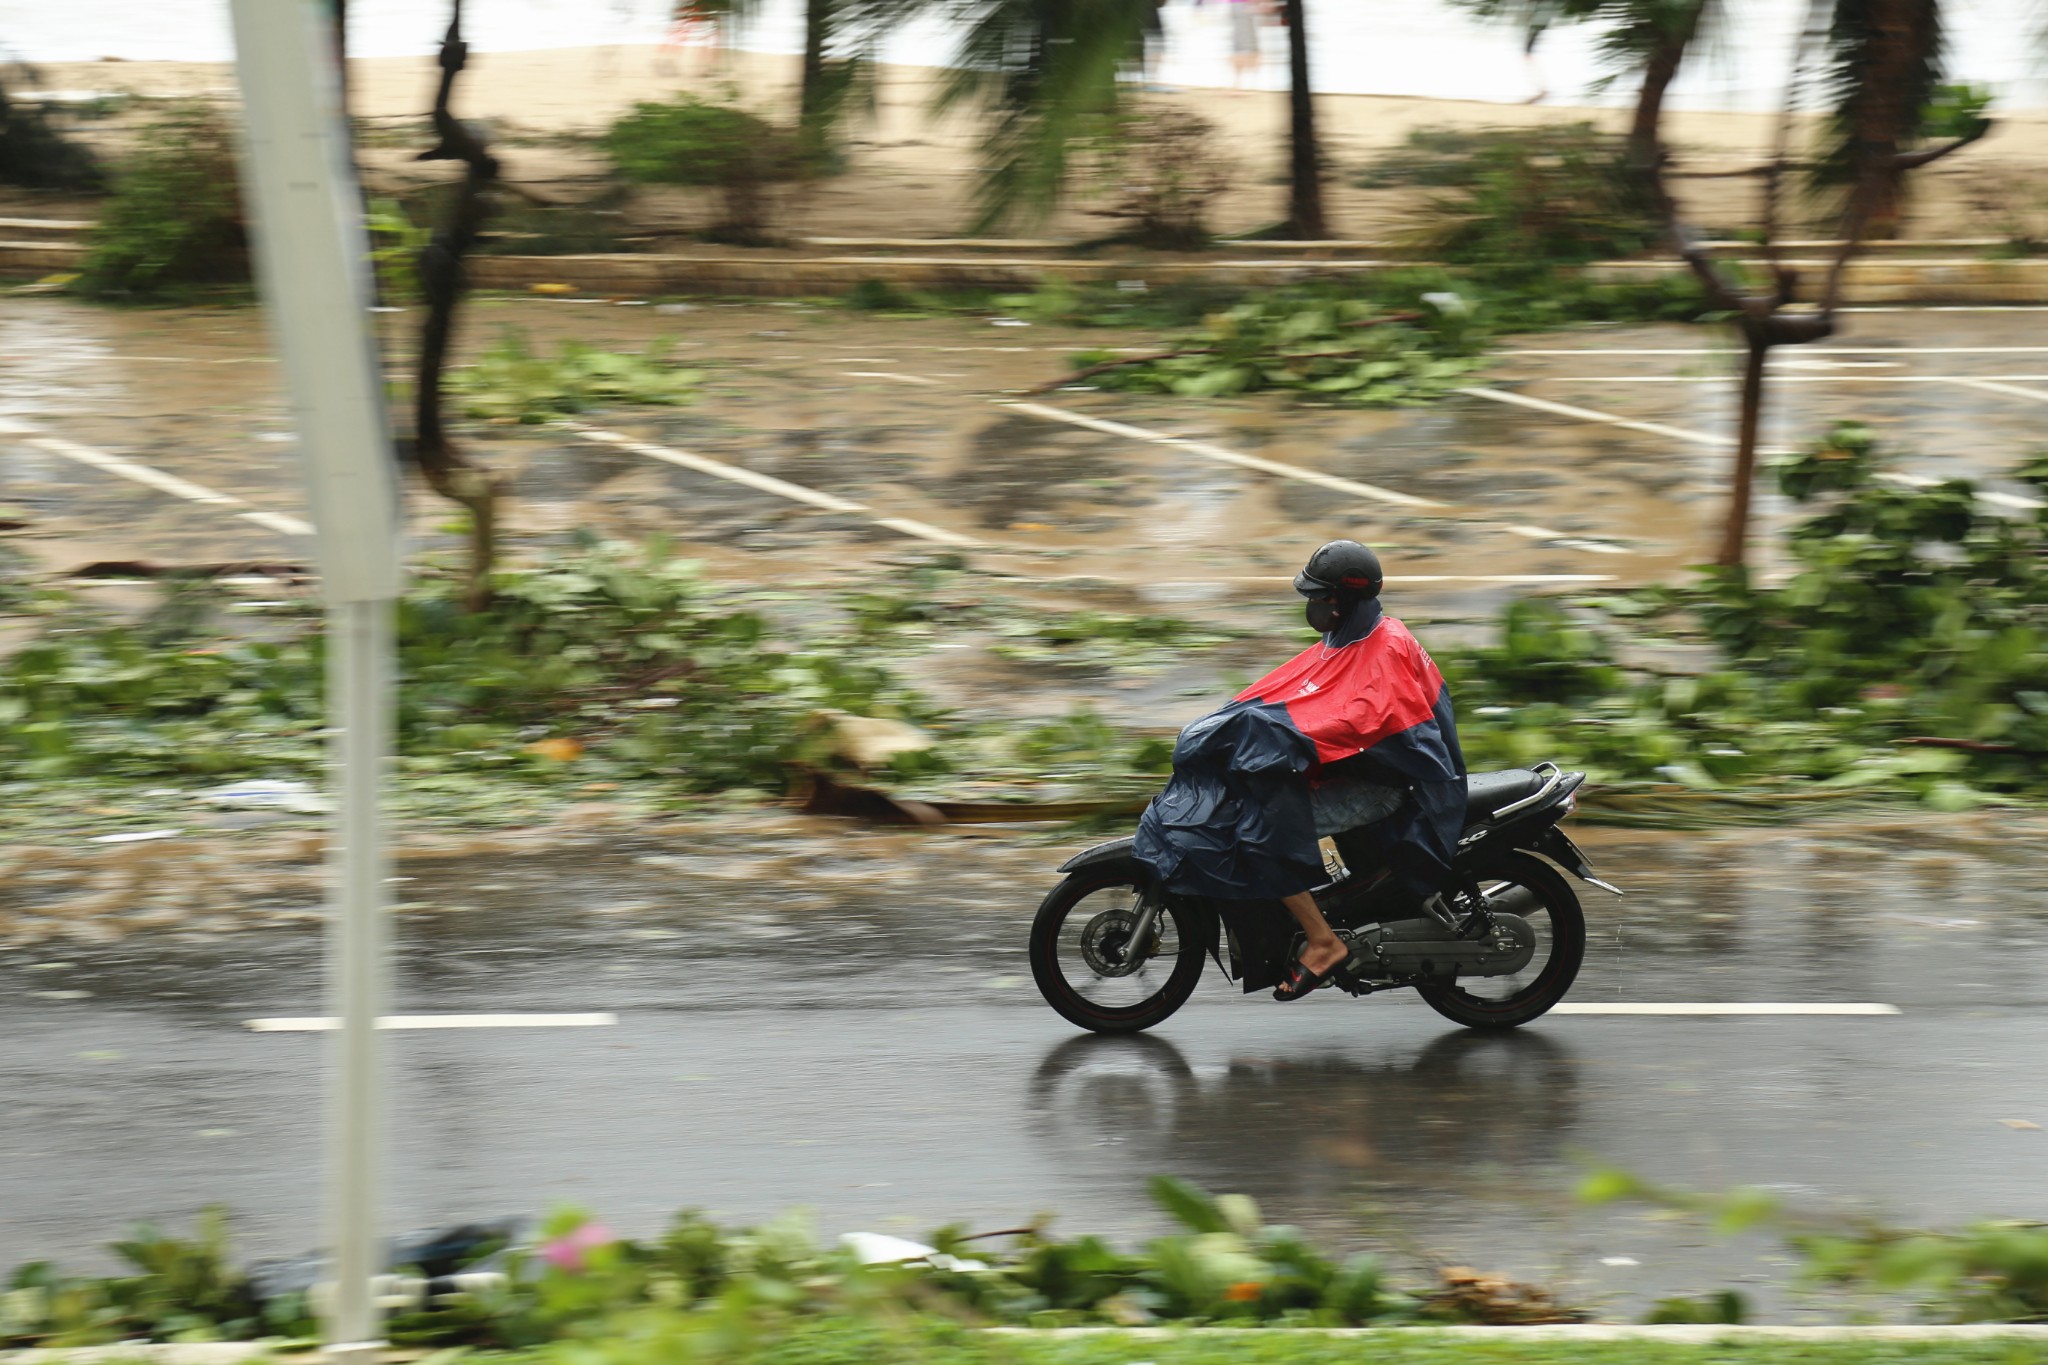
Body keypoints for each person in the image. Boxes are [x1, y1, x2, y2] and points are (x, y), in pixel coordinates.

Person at [1133, 540, 1469, 1001]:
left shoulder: (1385, 646)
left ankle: (1323, 941)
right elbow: (1299, 695)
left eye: (1319, 596)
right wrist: (1240, 721)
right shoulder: (1349, 636)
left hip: (1382, 783)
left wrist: (1279, 735)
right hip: (1357, 768)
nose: (1311, 605)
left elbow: (1363, 721)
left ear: (1342, 599)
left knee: (1258, 832)